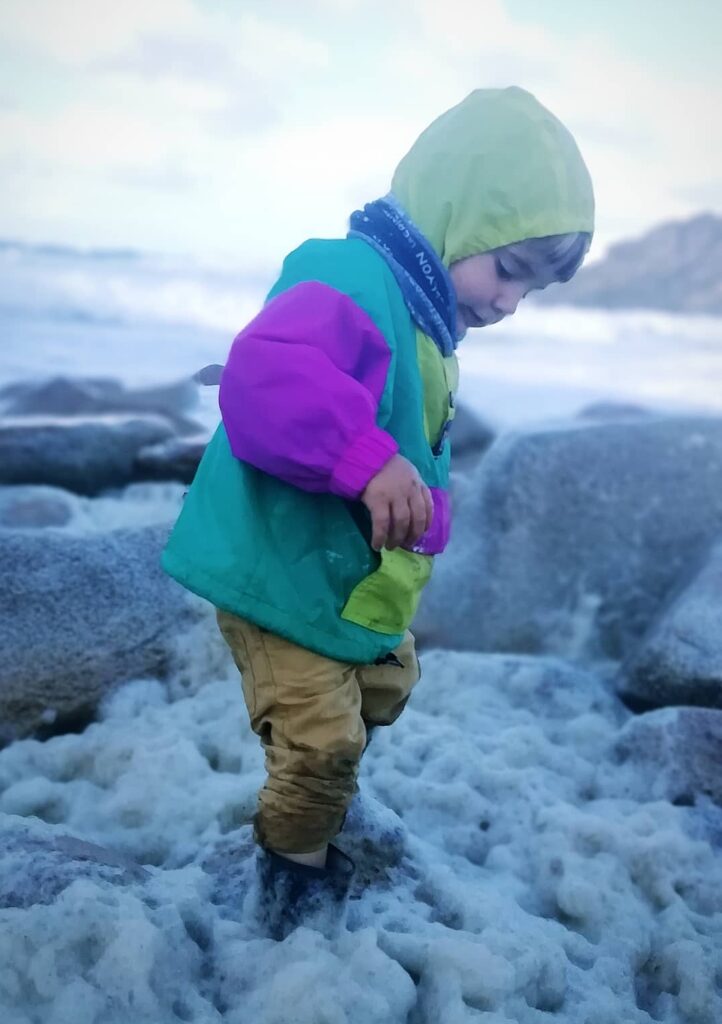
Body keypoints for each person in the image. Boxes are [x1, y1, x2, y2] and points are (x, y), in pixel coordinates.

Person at [162, 86, 594, 939]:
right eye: (508, 270)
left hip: (338, 582)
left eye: (532, 291)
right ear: (453, 216)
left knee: (387, 686)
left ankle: (321, 792)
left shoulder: (431, 330)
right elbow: (267, 378)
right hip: (273, 571)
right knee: (323, 740)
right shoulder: (348, 276)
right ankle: (289, 881)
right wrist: (365, 461)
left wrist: (428, 513)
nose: (510, 302)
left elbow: (413, 446)